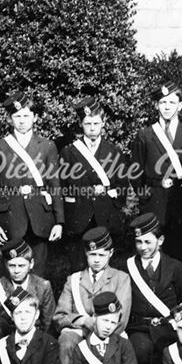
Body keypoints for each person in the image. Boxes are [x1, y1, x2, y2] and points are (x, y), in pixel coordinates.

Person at [0, 92, 63, 275]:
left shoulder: (47, 146)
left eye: (26, 115)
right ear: (10, 119)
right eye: (17, 116)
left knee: (39, 272)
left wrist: (59, 221)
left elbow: (55, 186)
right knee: (11, 272)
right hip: (10, 219)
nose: (22, 120)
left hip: (40, 217)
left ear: (34, 117)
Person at [130, 82, 182, 276]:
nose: (167, 107)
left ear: (180, 106)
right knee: (151, 251)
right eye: (163, 102)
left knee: (180, 252)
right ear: (156, 105)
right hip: (153, 202)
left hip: (180, 202)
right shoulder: (145, 135)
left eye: (172, 103)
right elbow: (135, 173)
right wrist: (146, 197)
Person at [122, 213, 182, 364]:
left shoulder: (175, 266)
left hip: (168, 325)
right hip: (139, 326)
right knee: (140, 350)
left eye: (147, 242)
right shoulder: (126, 266)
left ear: (160, 240)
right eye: (138, 242)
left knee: (171, 355)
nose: (143, 247)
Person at [59, 96, 127, 270]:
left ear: (103, 123)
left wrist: (106, 193)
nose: (92, 128)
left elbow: (122, 187)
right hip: (79, 217)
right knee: (79, 268)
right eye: (88, 123)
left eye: (96, 123)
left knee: (105, 269)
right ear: (81, 124)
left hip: (105, 216)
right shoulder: (69, 152)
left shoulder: (114, 152)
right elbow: (64, 187)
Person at [53, 227, 132, 364]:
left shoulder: (121, 278)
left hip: (109, 334)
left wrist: (97, 330)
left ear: (111, 253)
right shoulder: (74, 280)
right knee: (66, 339)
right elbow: (59, 317)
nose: (96, 260)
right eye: (92, 254)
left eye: (101, 255)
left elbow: (121, 320)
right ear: (85, 253)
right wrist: (83, 321)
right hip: (80, 332)